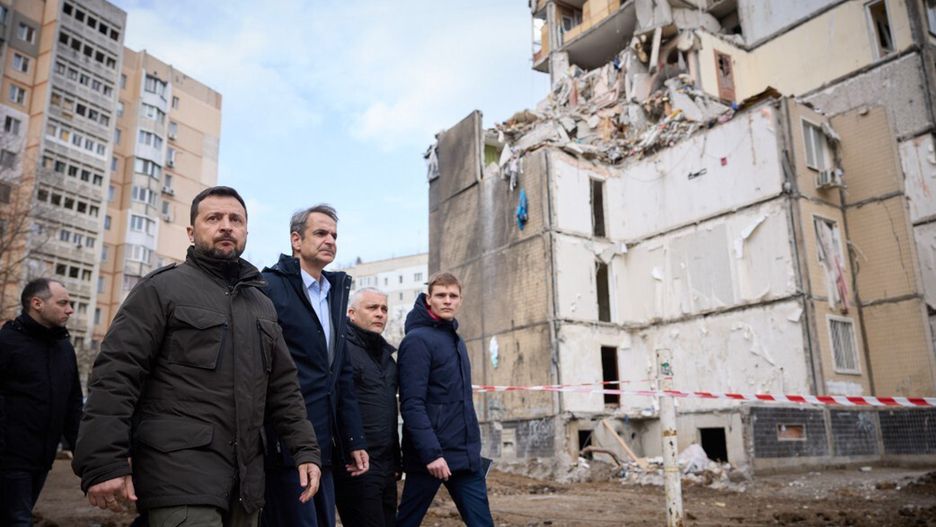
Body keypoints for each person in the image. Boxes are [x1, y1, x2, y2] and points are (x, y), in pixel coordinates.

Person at [72, 186, 321, 527]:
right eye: (213, 218)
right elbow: (116, 375)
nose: (226, 226)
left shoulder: (260, 303)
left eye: (235, 219)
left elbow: (283, 388)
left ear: (246, 230)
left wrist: (305, 450)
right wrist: (103, 461)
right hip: (179, 476)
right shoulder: (161, 289)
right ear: (191, 232)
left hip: (245, 484)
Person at [262, 204, 368, 527]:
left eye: (334, 235)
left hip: (325, 446)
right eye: (321, 233)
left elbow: (341, 376)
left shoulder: (333, 295)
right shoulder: (269, 287)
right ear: (296, 240)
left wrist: (353, 439)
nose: (330, 240)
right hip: (286, 448)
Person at [396, 272, 493, 527]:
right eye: (441, 295)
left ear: (460, 300)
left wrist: (474, 450)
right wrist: (431, 454)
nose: (447, 300)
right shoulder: (417, 341)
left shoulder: (456, 340)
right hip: (430, 458)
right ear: (429, 299)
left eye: (453, 295)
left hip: (465, 457)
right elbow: (412, 404)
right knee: (407, 521)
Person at [0, 279, 83, 526]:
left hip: (43, 457)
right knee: (18, 520)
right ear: (37, 303)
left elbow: (73, 404)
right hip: (10, 458)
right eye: (63, 303)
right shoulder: (7, 343)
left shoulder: (64, 348)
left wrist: (83, 454)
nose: (70, 309)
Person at [334, 288, 400, 527]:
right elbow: (338, 404)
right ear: (351, 313)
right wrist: (350, 446)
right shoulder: (341, 351)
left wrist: (396, 459)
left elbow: (389, 409)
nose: (380, 314)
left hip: (385, 464)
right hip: (357, 464)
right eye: (372, 308)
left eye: (384, 309)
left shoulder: (386, 357)